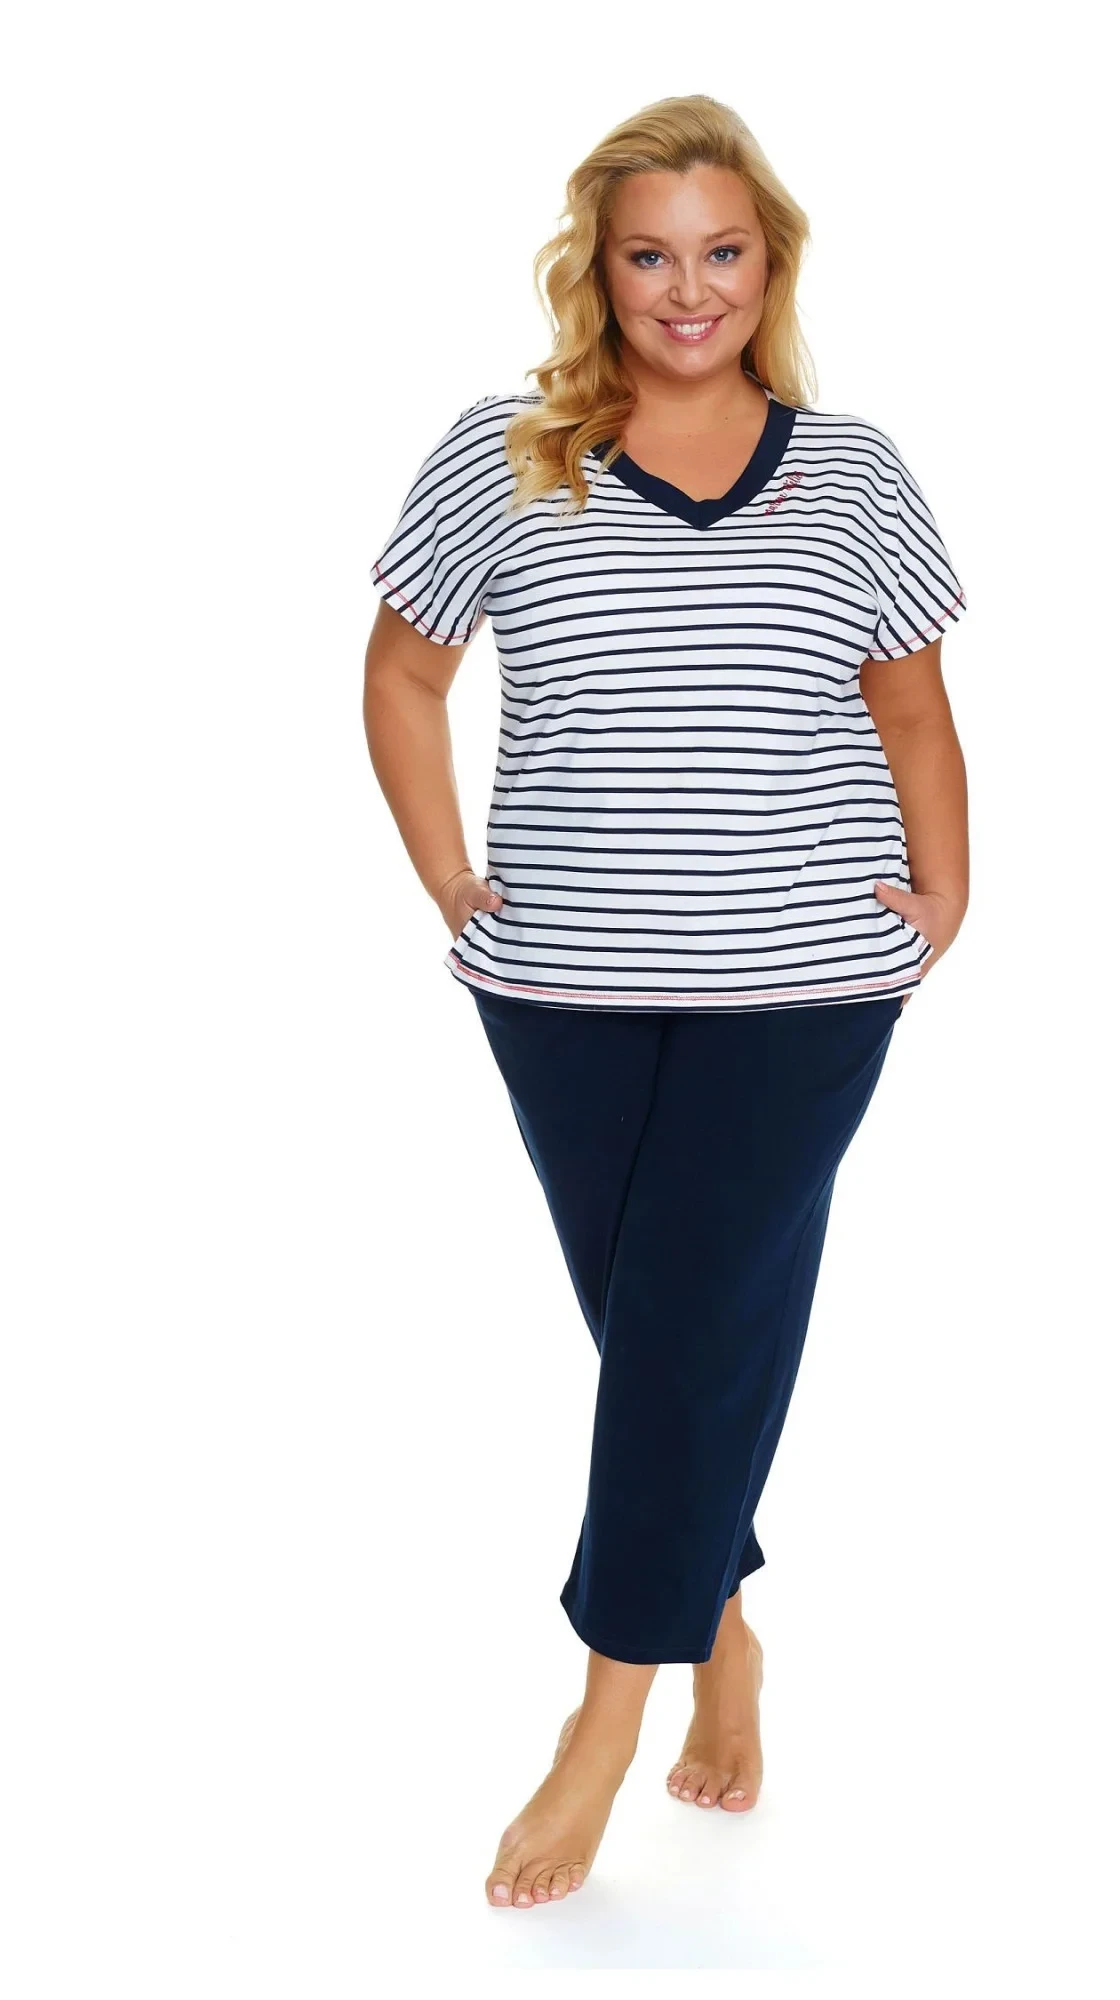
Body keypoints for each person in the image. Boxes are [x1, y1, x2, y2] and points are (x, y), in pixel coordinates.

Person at [362, 93, 970, 1910]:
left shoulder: (851, 470)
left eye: (722, 251)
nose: (687, 288)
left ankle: (603, 1716)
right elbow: (403, 674)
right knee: (663, 1338)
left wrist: (948, 891)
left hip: (803, 984)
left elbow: (912, 700)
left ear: (770, 261)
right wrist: (449, 875)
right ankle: (727, 1630)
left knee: (690, 1322)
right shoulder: (505, 455)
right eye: (650, 254)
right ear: (600, 269)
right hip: (561, 985)